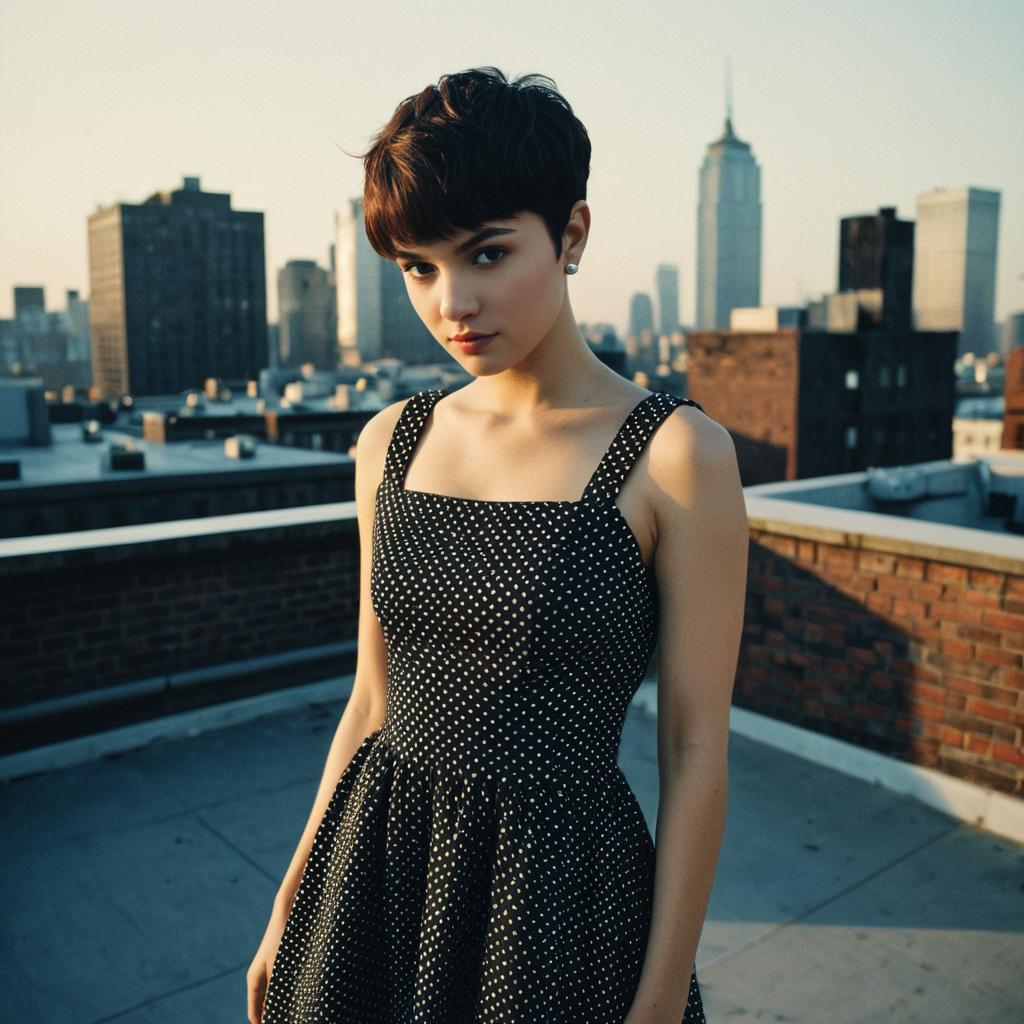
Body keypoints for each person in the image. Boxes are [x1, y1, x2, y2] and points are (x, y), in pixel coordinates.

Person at [248, 65, 748, 1024]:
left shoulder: (677, 456)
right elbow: (370, 703)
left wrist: (652, 1005)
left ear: (572, 235)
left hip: (557, 900)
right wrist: (290, 902)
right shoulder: (388, 442)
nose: (452, 304)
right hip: (374, 874)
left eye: (484, 253)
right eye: (419, 268)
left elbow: (694, 750)